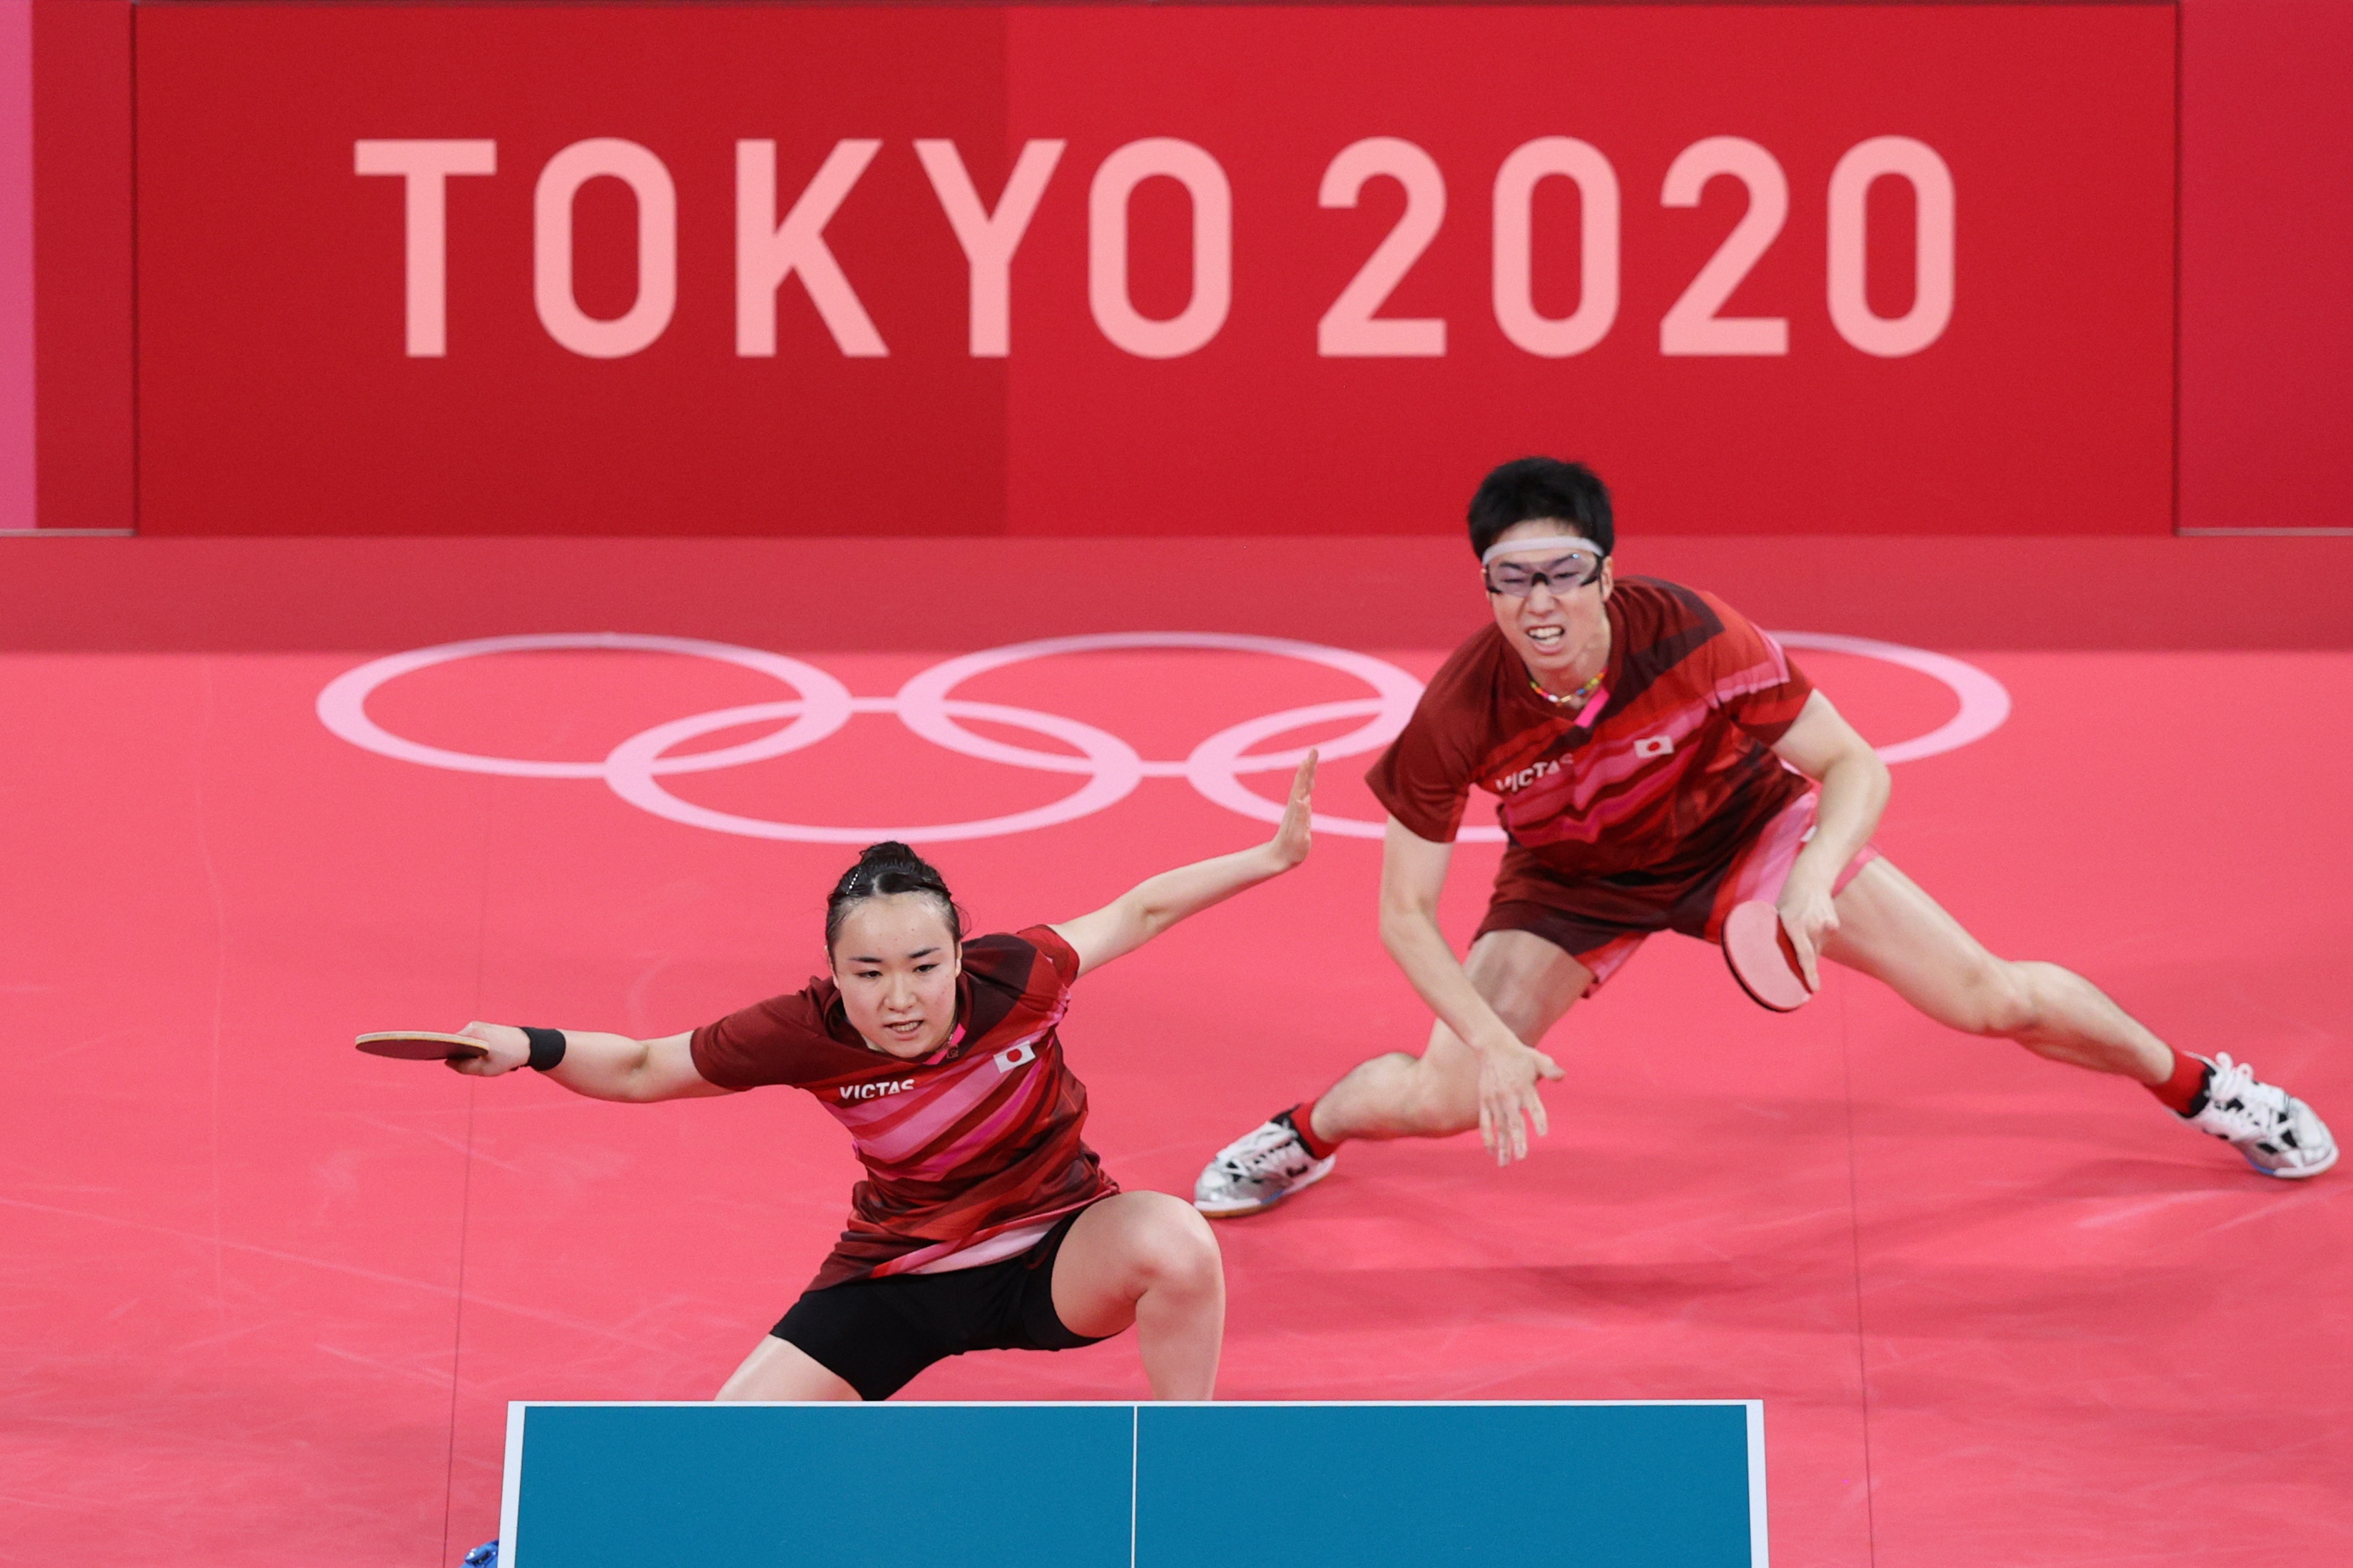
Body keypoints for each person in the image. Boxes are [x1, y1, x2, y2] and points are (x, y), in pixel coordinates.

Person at [1193, 457, 2335, 1217]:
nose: (1538, 602)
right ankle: (1302, 1133)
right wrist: (1487, 1040)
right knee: (1443, 1093)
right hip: (1570, 883)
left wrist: (1814, 876)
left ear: (1604, 572)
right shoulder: (1458, 711)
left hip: (1742, 829)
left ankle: (2200, 1086)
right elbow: (1402, 914)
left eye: (1562, 572)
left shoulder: (1691, 632)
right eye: (1509, 579)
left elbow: (1854, 764)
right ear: (1483, 585)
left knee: (1987, 996)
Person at [449, 753, 1316, 1404]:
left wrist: (1271, 858)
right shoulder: (804, 1031)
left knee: (1176, 1242)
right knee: (731, 1444)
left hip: (1058, 1253)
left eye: (923, 966)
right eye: (867, 973)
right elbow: (644, 1067)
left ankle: (1182, 1461)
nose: (899, 998)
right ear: (833, 971)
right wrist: (529, 1044)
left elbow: (1140, 910)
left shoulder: (1021, 976)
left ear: (959, 956)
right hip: (899, 1275)